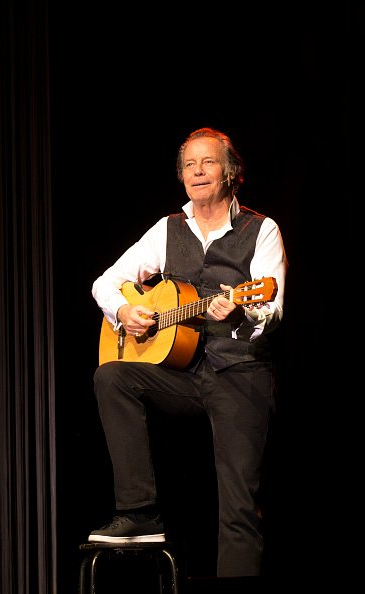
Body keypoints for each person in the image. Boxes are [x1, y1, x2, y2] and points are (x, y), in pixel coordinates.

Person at [88, 127, 288, 577]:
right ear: (181, 177)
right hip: (183, 373)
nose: (198, 172)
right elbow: (104, 282)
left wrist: (239, 314)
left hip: (240, 370)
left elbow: (271, 311)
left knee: (237, 508)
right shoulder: (167, 229)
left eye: (209, 162)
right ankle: (140, 513)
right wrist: (125, 310)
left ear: (231, 173)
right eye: (189, 165)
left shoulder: (262, 230)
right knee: (112, 375)